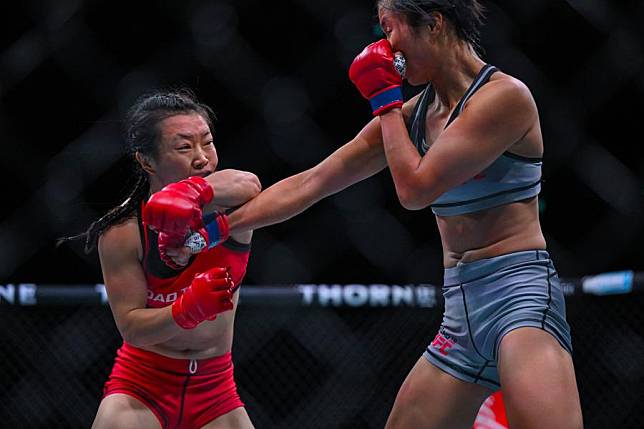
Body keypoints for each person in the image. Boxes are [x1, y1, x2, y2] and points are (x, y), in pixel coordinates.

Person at [144, 1, 583, 427]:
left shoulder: (504, 98)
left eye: (390, 28)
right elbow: (311, 182)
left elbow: (415, 189)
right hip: (460, 309)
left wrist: (385, 103)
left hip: (519, 298)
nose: (386, 46)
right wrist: (211, 233)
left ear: (432, 24)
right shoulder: (413, 117)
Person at [61, 89, 261, 429]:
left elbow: (250, 183)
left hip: (216, 391)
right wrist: (186, 310)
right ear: (146, 160)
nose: (201, 158)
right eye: (184, 147)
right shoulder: (123, 231)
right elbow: (132, 328)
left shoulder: (233, 207)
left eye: (208, 142)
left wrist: (196, 191)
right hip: (142, 387)